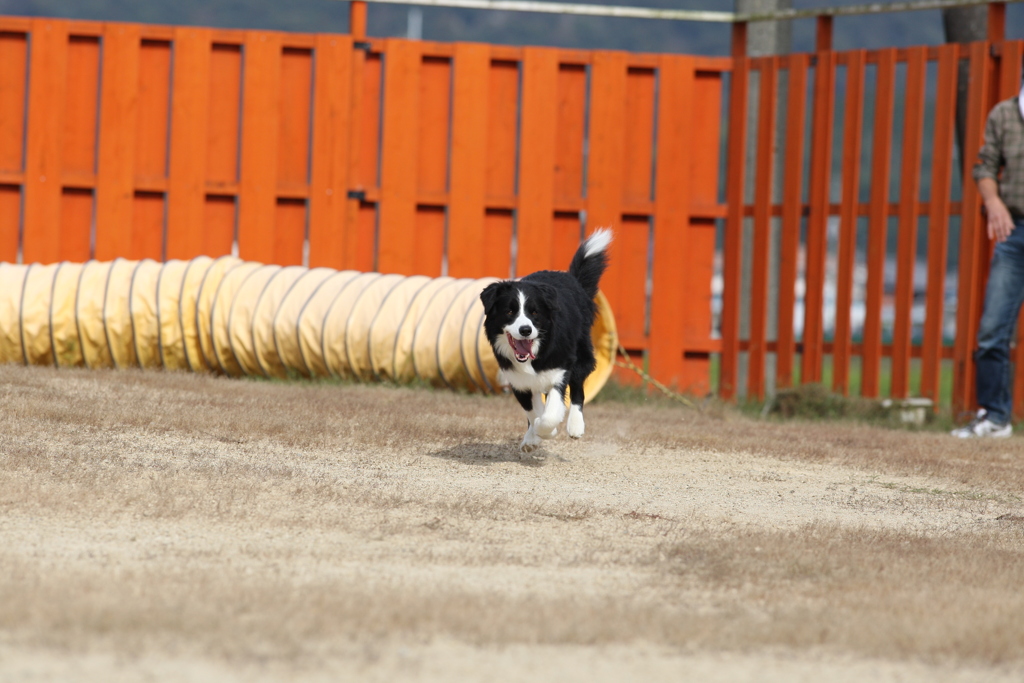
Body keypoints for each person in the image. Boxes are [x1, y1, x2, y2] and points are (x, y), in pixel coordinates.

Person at [952, 80, 1024, 438]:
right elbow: (983, 166)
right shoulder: (1005, 114)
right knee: (994, 328)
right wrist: (993, 202)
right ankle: (995, 418)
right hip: (1015, 232)